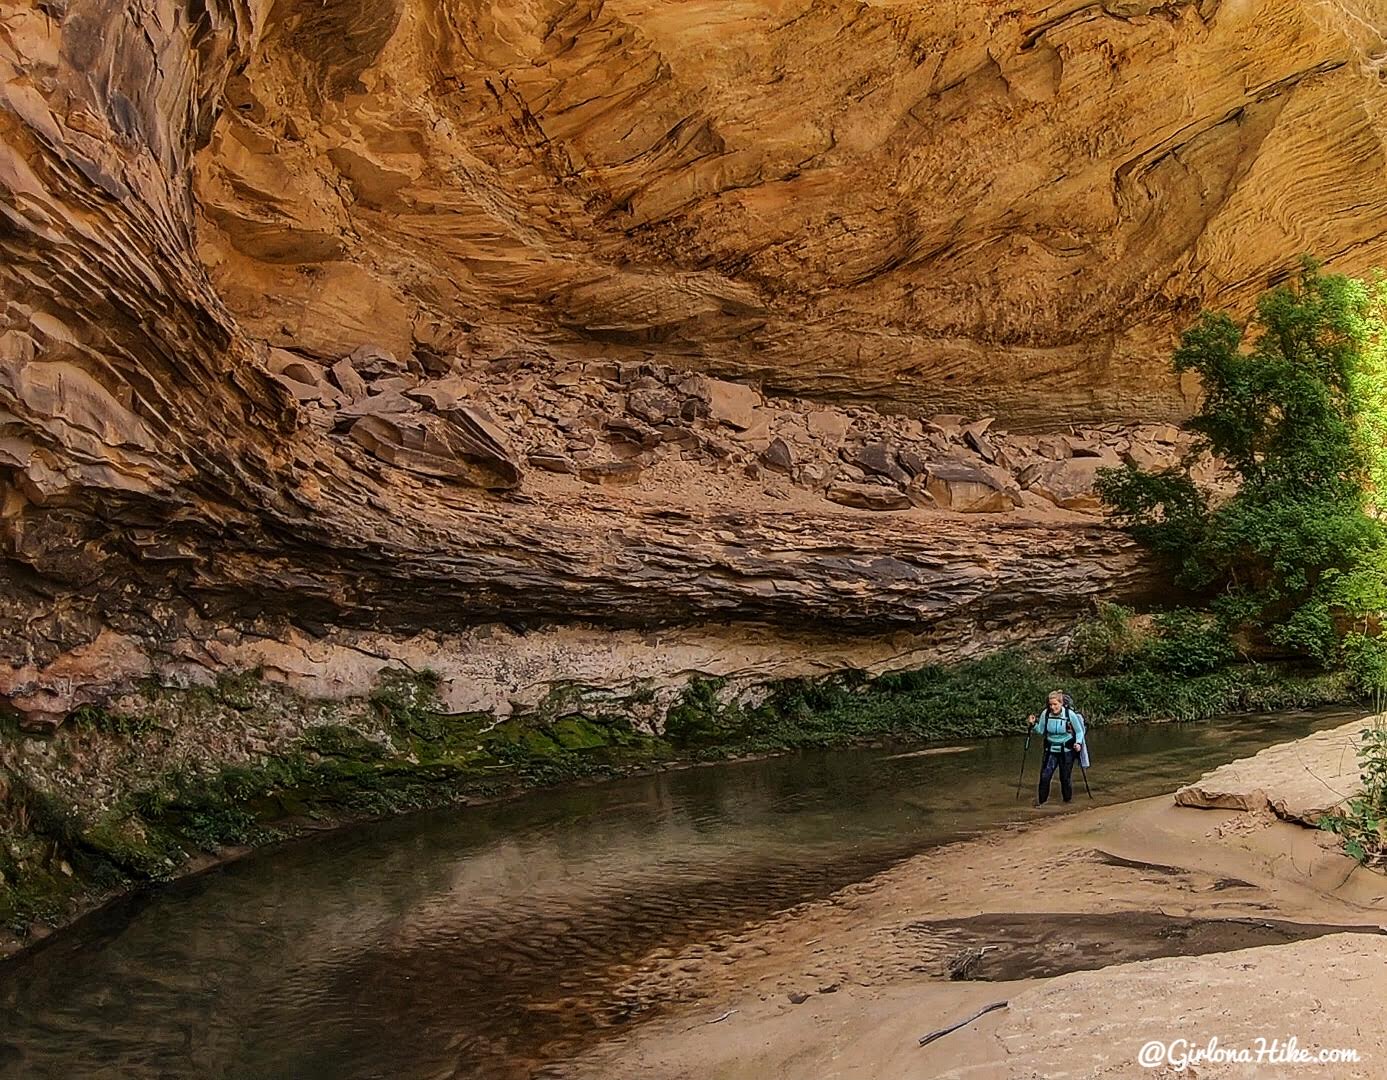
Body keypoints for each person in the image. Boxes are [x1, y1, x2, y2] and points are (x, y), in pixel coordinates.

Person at [1027, 689, 1086, 805]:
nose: (1053, 707)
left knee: (1065, 778)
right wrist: (1033, 724)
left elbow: (1079, 732)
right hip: (1050, 750)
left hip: (1067, 751)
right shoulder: (1046, 714)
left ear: (1061, 703)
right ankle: (1041, 804)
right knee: (1045, 777)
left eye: (1055, 704)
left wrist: (1078, 743)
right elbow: (1040, 731)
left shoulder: (1070, 715)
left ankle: (1067, 802)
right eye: (1050, 705)